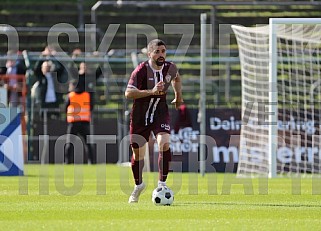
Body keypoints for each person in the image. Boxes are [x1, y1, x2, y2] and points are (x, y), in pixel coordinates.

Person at [125, 39, 184, 203]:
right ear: (149, 53)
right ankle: (138, 186)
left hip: (160, 112)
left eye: (163, 51)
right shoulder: (141, 71)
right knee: (138, 155)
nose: (161, 55)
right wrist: (151, 91)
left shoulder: (170, 68)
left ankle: (162, 183)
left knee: (164, 143)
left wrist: (178, 97)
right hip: (140, 117)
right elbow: (128, 94)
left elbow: (176, 78)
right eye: (157, 52)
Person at [64, 79, 95, 164]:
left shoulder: (71, 95)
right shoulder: (87, 95)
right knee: (88, 143)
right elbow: (91, 107)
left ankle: (67, 161)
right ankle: (91, 161)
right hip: (85, 122)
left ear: (73, 86)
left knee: (69, 143)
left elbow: (65, 107)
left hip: (73, 122)